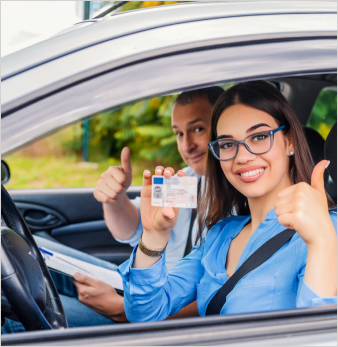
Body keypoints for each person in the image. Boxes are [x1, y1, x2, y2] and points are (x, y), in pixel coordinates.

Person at [1, 86, 224, 333]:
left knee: (13, 316)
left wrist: (122, 309)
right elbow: (130, 229)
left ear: (223, 125)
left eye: (198, 129)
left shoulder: (240, 205)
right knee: (33, 251)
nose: (187, 145)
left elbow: (213, 299)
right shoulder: (187, 180)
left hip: (160, 317)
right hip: (146, 287)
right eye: (179, 134)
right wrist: (115, 199)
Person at [118, 81, 337, 322]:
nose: (242, 156)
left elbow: (317, 335)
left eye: (260, 136)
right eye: (227, 144)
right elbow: (145, 313)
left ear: (290, 141)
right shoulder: (220, 235)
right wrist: (153, 237)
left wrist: (323, 241)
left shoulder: (328, 228)